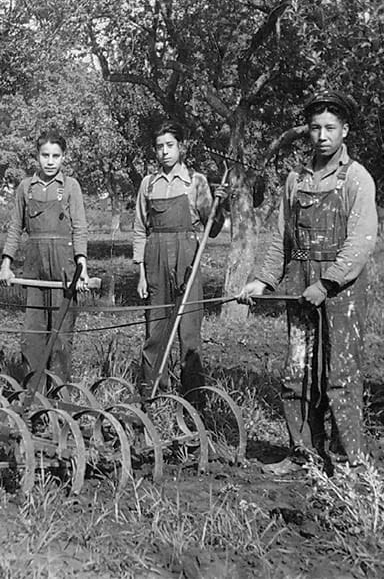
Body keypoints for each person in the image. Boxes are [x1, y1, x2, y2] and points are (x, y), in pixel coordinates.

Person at [239, 90, 377, 474]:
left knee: (339, 374)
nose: (322, 136)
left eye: (330, 128)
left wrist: (328, 284)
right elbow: (280, 237)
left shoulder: (357, 178)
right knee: (297, 369)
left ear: (344, 131)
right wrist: (262, 281)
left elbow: (362, 242)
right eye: (315, 128)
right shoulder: (295, 179)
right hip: (300, 281)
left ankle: (352, 464)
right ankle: (303, 454)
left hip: (341, 290)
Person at [133, 121, 228, 400]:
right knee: (156, 330)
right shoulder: (148, 184)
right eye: (159, 146)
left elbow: (213, 228)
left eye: (170, 145)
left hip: (188, 256)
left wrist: (219, 206)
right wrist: (140, 272)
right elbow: (140, 228)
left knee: (189, 333)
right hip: (155, 257)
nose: (164, 152)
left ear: (181, 147)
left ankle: (194, 400)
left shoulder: (195, 181)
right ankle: (151, 396)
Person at [0, 129, 89, 381]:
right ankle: (32, 395)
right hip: (34, 265)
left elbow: (80, 228)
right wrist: (6, 265)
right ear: (37, 156)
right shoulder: (26, 188)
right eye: (45, 155)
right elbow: (15, 227)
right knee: (32, 333)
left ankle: (59, 393)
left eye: (55, 156)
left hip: (64, 265)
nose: (50, 161)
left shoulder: (71, 187)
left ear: (63, 157)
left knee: (60, 334)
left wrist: (82, 269)